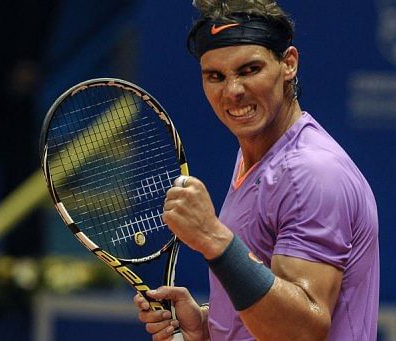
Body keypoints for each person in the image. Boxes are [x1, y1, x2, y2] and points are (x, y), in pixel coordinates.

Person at [134, 1, 379, 340]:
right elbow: (267, 304)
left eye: (249, 70)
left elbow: (302, 330)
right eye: (215, 77)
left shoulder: (310, 173)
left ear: (288, 63)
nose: (233, 91)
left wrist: (212, 238)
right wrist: (211, 327)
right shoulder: (256, 156)